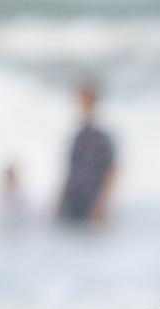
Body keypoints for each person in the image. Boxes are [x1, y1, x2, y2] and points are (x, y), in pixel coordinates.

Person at [58, 82, 117, 225]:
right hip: (73, 198)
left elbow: (111, 170)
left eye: (85, 102)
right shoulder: (77, 136)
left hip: (91, 198)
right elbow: (70, 171)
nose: (82, 107)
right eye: (80, 102)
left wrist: (101, 203)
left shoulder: (101, 137)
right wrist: (61, 199)